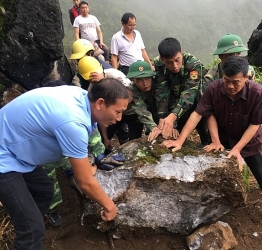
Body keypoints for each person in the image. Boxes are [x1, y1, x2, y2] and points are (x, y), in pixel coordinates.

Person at [162, 55, 262, 236]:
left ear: (246, 78)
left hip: (250, 140)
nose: (230, 86)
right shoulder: (214, 89)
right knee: (214, 172)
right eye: (226, 81)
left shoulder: (257, 93)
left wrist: (238, 149)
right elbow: (201, 113)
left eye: (235, 82)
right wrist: (182, 140)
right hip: (223, 138)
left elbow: (255, 125)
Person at [0, 78, 129, 249]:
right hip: (5, 157)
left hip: (16, 150)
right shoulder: (72, 122)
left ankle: (27, 224)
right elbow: (84, 181)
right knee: (32, 229)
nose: (119, 119)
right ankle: (29, 232)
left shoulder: (82, 96)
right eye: (117, 112)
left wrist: (98, 157)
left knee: (44, 191)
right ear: (100, 103)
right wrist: (109, 206)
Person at [153, 37, 210, 144]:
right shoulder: (159, 65)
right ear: (162, 59)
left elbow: (190, 93)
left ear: (181, 53)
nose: (174, 66)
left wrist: (172, 116)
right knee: (175, 132)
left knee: (205, 133)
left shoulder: (193, 64)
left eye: (177, 60)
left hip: (198, 101)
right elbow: (161, 92)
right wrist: (162, 118)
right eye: (169, 63)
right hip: (175, 101)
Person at [126, 60, 179, 141]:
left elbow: (170, 104)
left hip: (167, 116)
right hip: (146, 117)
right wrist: (153, 128)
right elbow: (141, 110)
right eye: (139, 80)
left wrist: (171, 125)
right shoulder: (133, 90)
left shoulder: (160, 84)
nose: (145, 83)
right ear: (133, 80)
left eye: (147, 78)